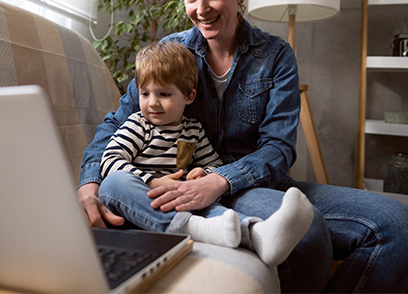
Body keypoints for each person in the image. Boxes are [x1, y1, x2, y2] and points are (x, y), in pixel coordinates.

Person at [78, 0, 408, 292]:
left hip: (253, 183)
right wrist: (90, 183)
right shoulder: (170, 54)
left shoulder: (276, 55)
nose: (200, 8)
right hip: (185, 185)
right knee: (309, 235)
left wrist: (221, 180)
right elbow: (114, 125)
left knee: (398, 224)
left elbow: (278, 148)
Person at [99, 41, 314, 266]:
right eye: (144, 93)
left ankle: (257, 235)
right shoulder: (138, 124)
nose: (152, 103)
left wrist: (203, 173)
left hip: (181, 197)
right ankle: (192, 228)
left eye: (164, 94)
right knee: (114, 184)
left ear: (189, 97)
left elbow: (214, 164)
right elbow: (111, 160)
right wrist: (152, 182)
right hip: (141, 199)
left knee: (211, 203)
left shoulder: (193, 130)